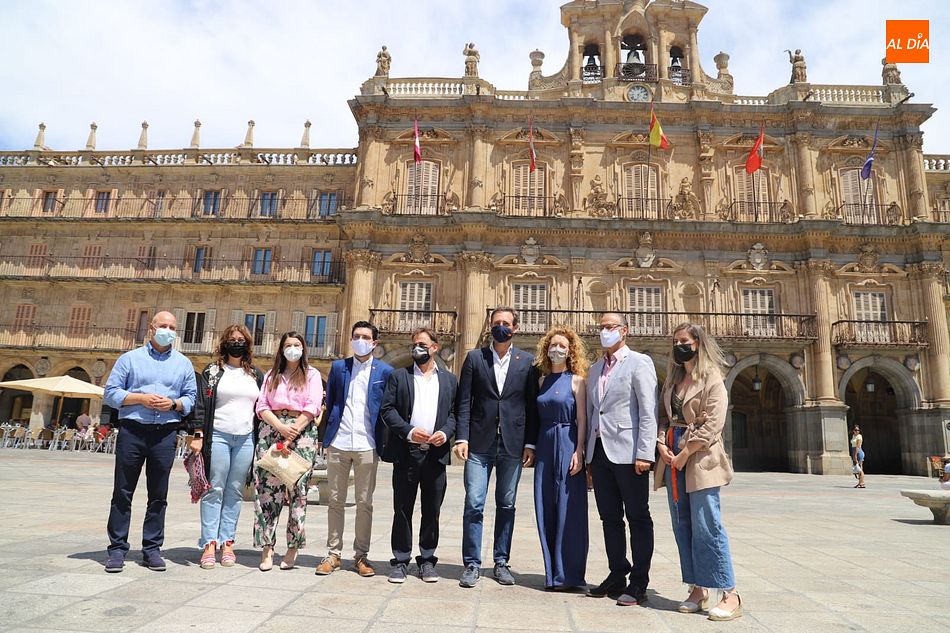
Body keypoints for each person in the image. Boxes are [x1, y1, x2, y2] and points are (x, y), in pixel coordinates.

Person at [656, 323, 742, 621]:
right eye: (675, 340)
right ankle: (698, 589)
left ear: (697, 343)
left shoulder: (713, 379)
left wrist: (683, 453)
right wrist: (661, 445)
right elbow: (663, 418)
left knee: (708, 525)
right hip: (671, 460)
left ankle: (729, 593)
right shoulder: (673, 379)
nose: (679, 345)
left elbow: (712, 425)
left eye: (684, 340)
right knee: (682, 525)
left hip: (700, 459)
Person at [102, 311, 198, 573]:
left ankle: (152, 548)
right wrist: (139, 398)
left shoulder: (183, 364)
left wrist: (174, 403)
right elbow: (110, 394)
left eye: (172, 327)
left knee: (158, 494)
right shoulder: (129, 359)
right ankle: (117, 549)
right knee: (122, 491)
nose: (168, 330)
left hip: (165, 432)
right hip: (132, 430)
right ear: (151, 329)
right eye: (163, 325)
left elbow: (191, 398)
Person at [454, 307, 539, 588]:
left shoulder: (527, 361)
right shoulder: (475, 358)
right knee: (474, 503)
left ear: (515, 327)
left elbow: (531, 405)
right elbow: (463, 401)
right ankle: (472, 564)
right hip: (479, 442)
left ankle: (501, 562)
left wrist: (529, 442)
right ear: (490, 326)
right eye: (496, 323)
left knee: (507, 504)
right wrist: (461, 437)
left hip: (513, 444)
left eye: (506, 323)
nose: (501, 327)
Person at [585, 312, 657, 606]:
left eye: (610, 327)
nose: (604, 331)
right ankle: (617, 573)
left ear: (624, 331)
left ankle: (639, 581)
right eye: (601, 327)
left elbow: (648, 411)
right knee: (609, 518)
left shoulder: (639, 362)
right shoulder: (594, 369)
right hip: (600, 452)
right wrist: (589, 456)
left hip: (629, 453)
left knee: (638, 518)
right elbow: (594, 413)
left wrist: (645, 452)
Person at [314, 321, 393, 577]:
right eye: (356, 336)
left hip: (367, 443)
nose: (360, 340)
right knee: (335, 500)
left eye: (365, 336)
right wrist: (325, 438)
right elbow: (332, 402)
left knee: (364, 503)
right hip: (339, 441)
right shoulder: (339, 368)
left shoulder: (385, 371)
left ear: (374, 342)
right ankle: (333, 553)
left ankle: (361, 555)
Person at [380, 327, 458, 583]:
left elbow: (455, 415)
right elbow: (388, 410)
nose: (417, 349)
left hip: (436, 454)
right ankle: (401, 560)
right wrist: (410, 431)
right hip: (407, 452)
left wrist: (445, 434)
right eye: (415, 344)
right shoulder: (399, 376)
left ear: (435, 347)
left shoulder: (448, 380)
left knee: (431, 509)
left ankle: (427, 560)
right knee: (402, 508)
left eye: (423, 344)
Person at [189, 325, 264, 569]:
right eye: (232, 339)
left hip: (245, 438)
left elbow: (261, 409)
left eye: (241, 340)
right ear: (224, 343)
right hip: (218, 436)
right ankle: (209, 543)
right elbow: (201, 404)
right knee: (214, 489)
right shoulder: (212, 371)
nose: (236, 343)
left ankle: (227, 542)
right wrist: (198, 434)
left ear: (248, 344)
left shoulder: (255, 374)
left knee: (234, 491)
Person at [253, 331, 323, 571]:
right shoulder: (271, 375)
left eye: (297, 344)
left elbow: (313, 405)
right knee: (266, 492)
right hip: (271, 431)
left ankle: (292, 548)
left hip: (301, 435)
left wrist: (293, 429)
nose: (292, 348)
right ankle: (267, 548)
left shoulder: (312, 375)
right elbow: (262, 405)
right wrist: (280, 426)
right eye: (288, 345)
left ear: (303, 348)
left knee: (298, 492)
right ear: (281, 349)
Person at [533, 326, 589, 591]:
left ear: (570, 351)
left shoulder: (578, 381)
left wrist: (579, 450)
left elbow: (582, 419)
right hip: (545, 445)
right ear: (547, 349)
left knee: (571, 508)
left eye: (562, 346)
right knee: (546, 506)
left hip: (568, 442)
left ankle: (571, 575)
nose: (557, 349)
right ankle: (552, 574)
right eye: (553, 345)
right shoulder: (541, 381)